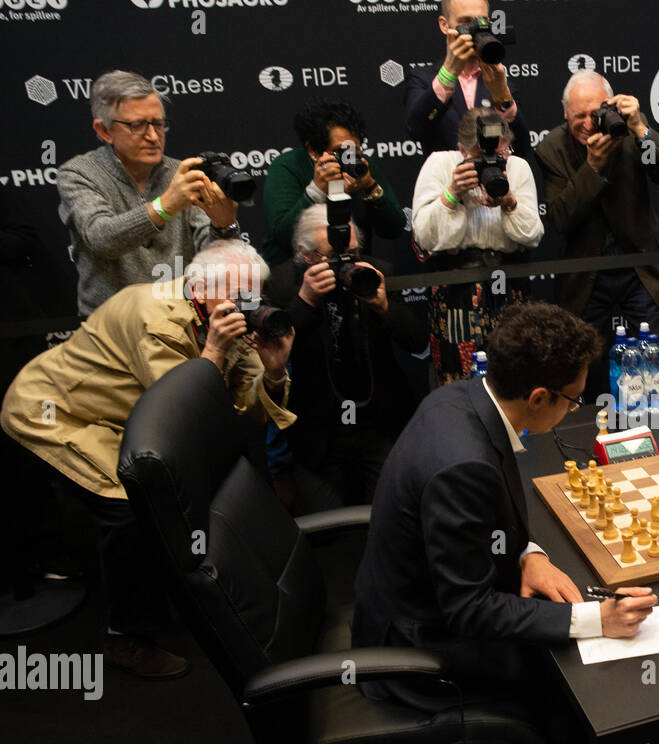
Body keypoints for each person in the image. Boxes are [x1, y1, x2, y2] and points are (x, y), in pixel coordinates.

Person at [1, 240, 294, 678]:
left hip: (117, 414)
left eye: (255, 296)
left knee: (175, 485)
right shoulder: (156, 318)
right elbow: (182, 411)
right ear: (201, 286)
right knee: (128, 506)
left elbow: (250, 410)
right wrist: (214, 352)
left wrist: (271, 368)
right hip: (56, 410)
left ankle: (169, 591)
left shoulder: (222, 312)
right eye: (239, 296)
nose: (248, 307)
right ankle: (123, 636)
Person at [352, 302, 656, 715]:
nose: (574, 409)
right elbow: (469, 610)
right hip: (421, 646)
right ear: (537, 397)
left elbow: (485, 519)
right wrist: (597, 620)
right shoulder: (464, 466)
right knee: (581, 691)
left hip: (418, 594)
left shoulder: (463, 397)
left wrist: (528, 553)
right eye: (572, 399)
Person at [535, 70, 659, 399]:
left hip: (640, 267)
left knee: (651, 361)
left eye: (596, 113)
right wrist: (592, 168)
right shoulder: (552, 148)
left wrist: (640, 128)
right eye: (579, 116)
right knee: (582, 365)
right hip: (587, 271)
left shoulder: (629, 131)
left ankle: (653, 428)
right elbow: (561, 218)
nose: (589, 124)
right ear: (565, 112)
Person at [264, 206, 426, 513]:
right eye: (331, 256)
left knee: (393, 515)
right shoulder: (282, 283)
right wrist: (305, 302)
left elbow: (417, 341)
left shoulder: (375, 273)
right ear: (306, 254)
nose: (344, 263)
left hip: (378, 422)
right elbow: (274, 356)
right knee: (331, 529)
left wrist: (382, 306)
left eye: (352, 252)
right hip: (319, 429)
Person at [58, 70, 241, 316]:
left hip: (181, 318)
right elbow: (101, 238)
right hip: (112, 325)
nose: (153, 136)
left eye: (158, 123)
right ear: (104, 131)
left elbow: (212, 259)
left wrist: (223, 225)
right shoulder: (79, 173)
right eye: (137, 126)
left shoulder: (181, 172)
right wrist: (165, 206)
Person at [411, 107, 542, 385]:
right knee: (459, 378)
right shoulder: (440, 164)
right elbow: (424, 238)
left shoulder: (517, 167)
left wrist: (509, 201)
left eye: (501, 154)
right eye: (479, 156)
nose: (493, 161)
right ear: (461, 149)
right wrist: (452, 194)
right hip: (457, 291)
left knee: (516, 374)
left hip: (509, 289)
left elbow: (533, 235)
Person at [260, 99, 406, 268]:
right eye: (339, 152)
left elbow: (394, 229)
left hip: (351, 268)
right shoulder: (288, 165)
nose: (348, 158)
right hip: (296, 270)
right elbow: (283, 236)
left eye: (355, 151)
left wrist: (370, 187)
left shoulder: (363, 166)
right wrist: (316, 190)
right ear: (313, 151)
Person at [403, 0, 523, 153]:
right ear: (445, 25)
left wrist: (502, 96)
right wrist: (448, 74)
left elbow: (522, 147)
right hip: (449, 175)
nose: (476, 32)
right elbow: (415, 129)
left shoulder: (499, 81)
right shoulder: (423, 80)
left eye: (482, 22)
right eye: (466, 22)